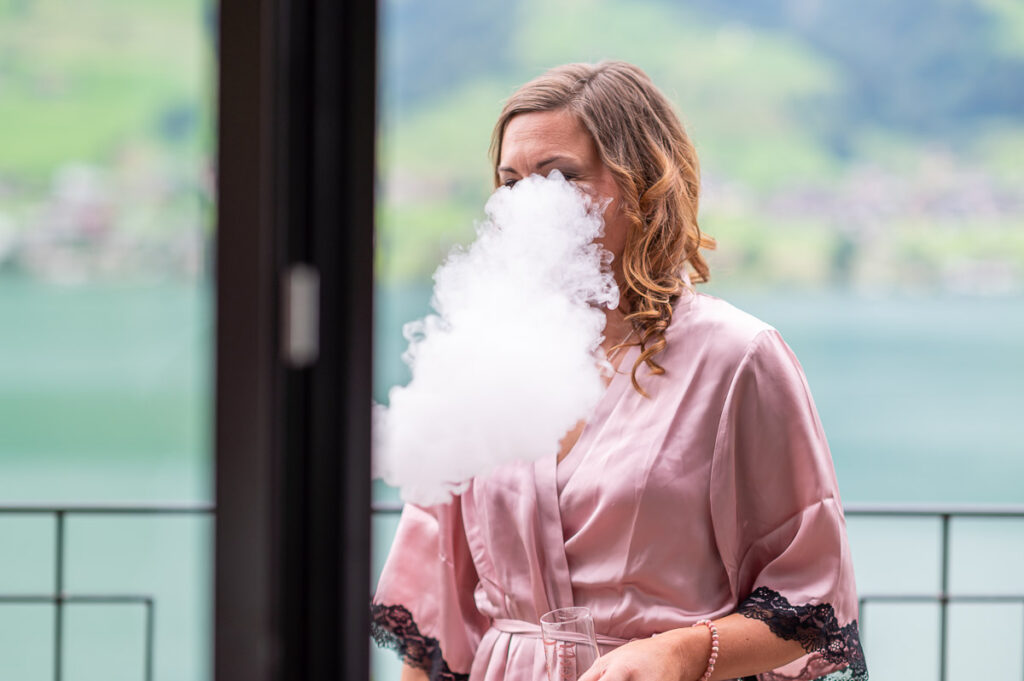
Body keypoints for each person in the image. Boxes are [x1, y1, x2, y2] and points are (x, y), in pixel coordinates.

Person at [371, 61, 867, 681]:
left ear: (641, 188)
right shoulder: (480, 356)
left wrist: (678, 652)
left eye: (560, 177)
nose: (530, 206)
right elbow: (433, 630)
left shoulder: (737, 358)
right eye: (511, 182)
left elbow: (813, 604)